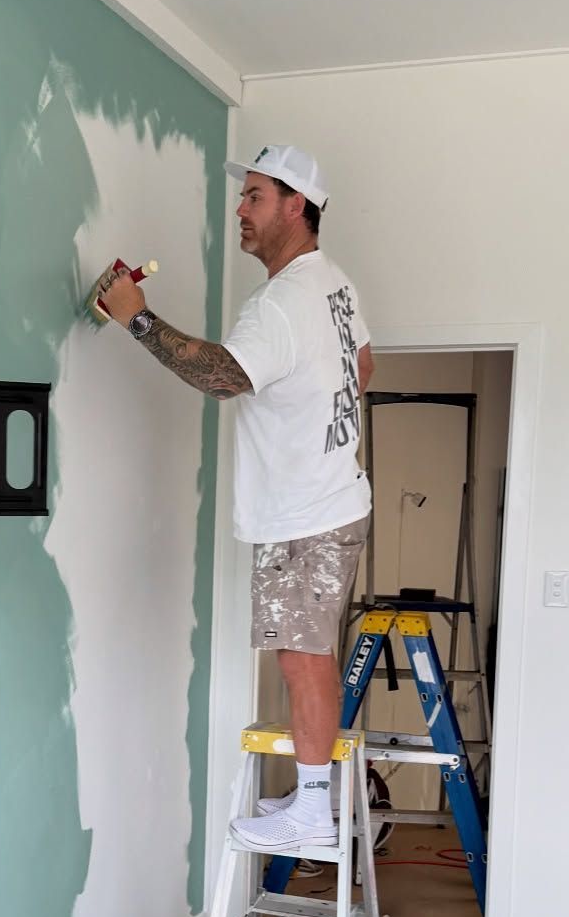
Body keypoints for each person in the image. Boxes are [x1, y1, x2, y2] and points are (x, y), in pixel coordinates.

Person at [92, 143, 373, 853]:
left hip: (306, 510)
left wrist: (137, 318)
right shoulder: (333, 284)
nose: (241, 209)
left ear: (295, 206)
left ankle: (313, 812)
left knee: (302, 656)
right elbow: (363, 364)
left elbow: (222, 377)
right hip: (328, 496)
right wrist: (310, 416)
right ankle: (311, 797)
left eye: (255, 197)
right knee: (302, 651)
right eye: (243, 195)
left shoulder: (282, 303)